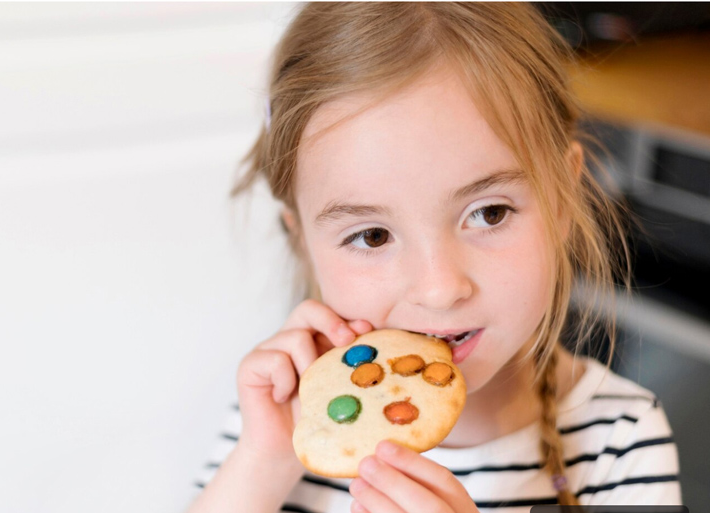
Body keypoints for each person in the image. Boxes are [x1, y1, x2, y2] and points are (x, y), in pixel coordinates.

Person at [186, 3, 683, 513]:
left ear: (561, 200)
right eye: (374, 236)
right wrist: (265, 462)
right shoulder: (283, 420)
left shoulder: (622, 442)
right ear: (303, 241)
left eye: (489, 213)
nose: (440, 287)